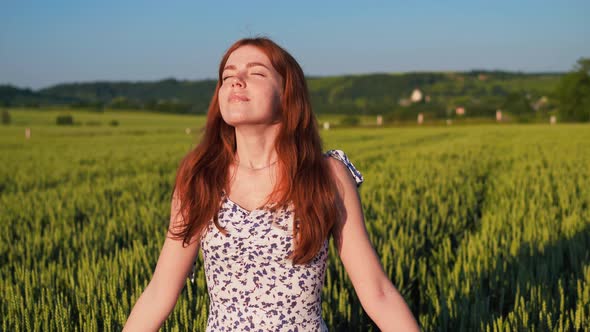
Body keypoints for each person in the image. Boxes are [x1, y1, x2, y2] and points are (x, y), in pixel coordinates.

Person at [123, 37, 419, 331]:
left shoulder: (326, 174)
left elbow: (377, 293)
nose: (236, 81)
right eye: (228, 76)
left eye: (255, 73)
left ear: (287, 94)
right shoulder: (200, 176)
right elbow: (159, 293)